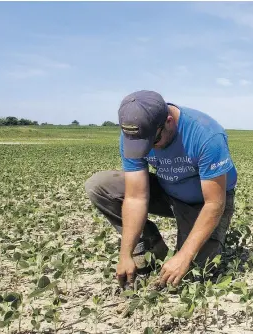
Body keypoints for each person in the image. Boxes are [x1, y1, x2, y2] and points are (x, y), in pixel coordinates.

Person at [85, 90, 237, 289]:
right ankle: (150, 244)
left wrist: (184, 256)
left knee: (191, 276)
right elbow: (136, 197)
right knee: (99, 185)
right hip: (167, 190)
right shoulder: (135, 135)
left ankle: (187, 249)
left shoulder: (206, 134)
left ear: (168, 122)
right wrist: (125, 253)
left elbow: (214, 204)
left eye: (153, 142)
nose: (148, 150)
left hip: (204, 202)